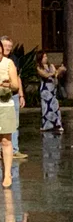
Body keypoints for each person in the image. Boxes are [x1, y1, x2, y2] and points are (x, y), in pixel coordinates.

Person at [0, 37, 27, 159]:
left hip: (12, 96)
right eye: (5, 46)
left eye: (10, 46)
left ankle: (14, 150)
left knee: (14, 123)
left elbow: (17, 79)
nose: (8, 48)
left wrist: (21, 95)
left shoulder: (13, 60)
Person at [0, 42, 20, 188]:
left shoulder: (8, 63)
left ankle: (7, 174)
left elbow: (15, 85)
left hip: (4, 105)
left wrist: (7, 85)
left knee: (6, 140)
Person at [36, 51, 65, 132]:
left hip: (52, 88)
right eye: (44, 57)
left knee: (55, 106)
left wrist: (59, 71)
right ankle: (46, 125)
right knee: (46, 107)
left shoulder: (51, 65)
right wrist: (55, 72)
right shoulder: (39, 67)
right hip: (45, 90)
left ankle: (57, 124)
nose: (45, 58)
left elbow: (55, 75)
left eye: (46, 56)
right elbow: (45, 75)